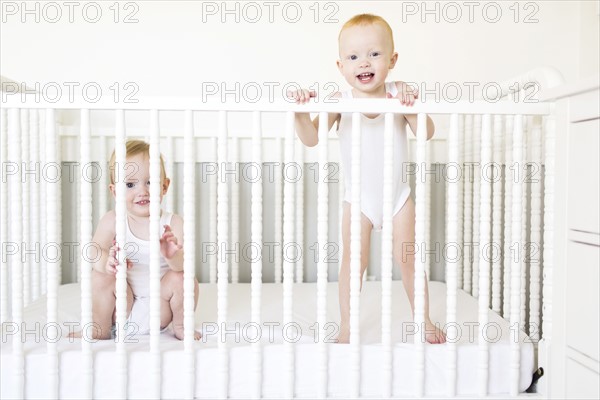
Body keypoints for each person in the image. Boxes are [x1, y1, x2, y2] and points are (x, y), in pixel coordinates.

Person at [289, 14, 446, 344]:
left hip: (398, 199)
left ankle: (425, 320)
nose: (364, 63)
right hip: (358, 200)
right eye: (353, 56)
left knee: (409, 260)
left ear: (393, 59)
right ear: (340, 65)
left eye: (374, 54)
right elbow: (312, 139)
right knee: (353, 262)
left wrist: (415, 105)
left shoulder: (399, 95)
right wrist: (301, 114)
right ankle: (347, 326)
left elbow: (427, 133)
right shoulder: (338, 101)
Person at [70, 140, 200, 341]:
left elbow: (184, 264)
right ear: (115, 191)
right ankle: (99, 327)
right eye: (130, 184)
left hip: (160, 308)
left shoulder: (173, 223)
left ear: (165, 186)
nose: (143, 191)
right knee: (99, 276)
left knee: (183, 279)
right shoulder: (112, 220)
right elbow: (93, 251)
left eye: (151, 182)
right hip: (121, 307)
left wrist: (172, 255)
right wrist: (107, 262)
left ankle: (181, 325)